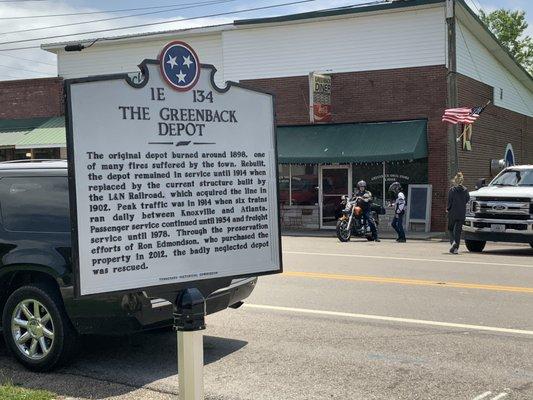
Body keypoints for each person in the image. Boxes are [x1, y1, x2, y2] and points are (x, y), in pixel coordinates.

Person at [447, 172, 470, 254]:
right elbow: (467, 199)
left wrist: (448, 209)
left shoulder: (452, 190)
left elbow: (450, 201)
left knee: (450, 229)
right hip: (461, 213)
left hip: (453, 213)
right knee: (458, 232)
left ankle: (453, 243)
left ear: (455, 180)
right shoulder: (465, 190)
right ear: (462, 181)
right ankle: (456, 249)